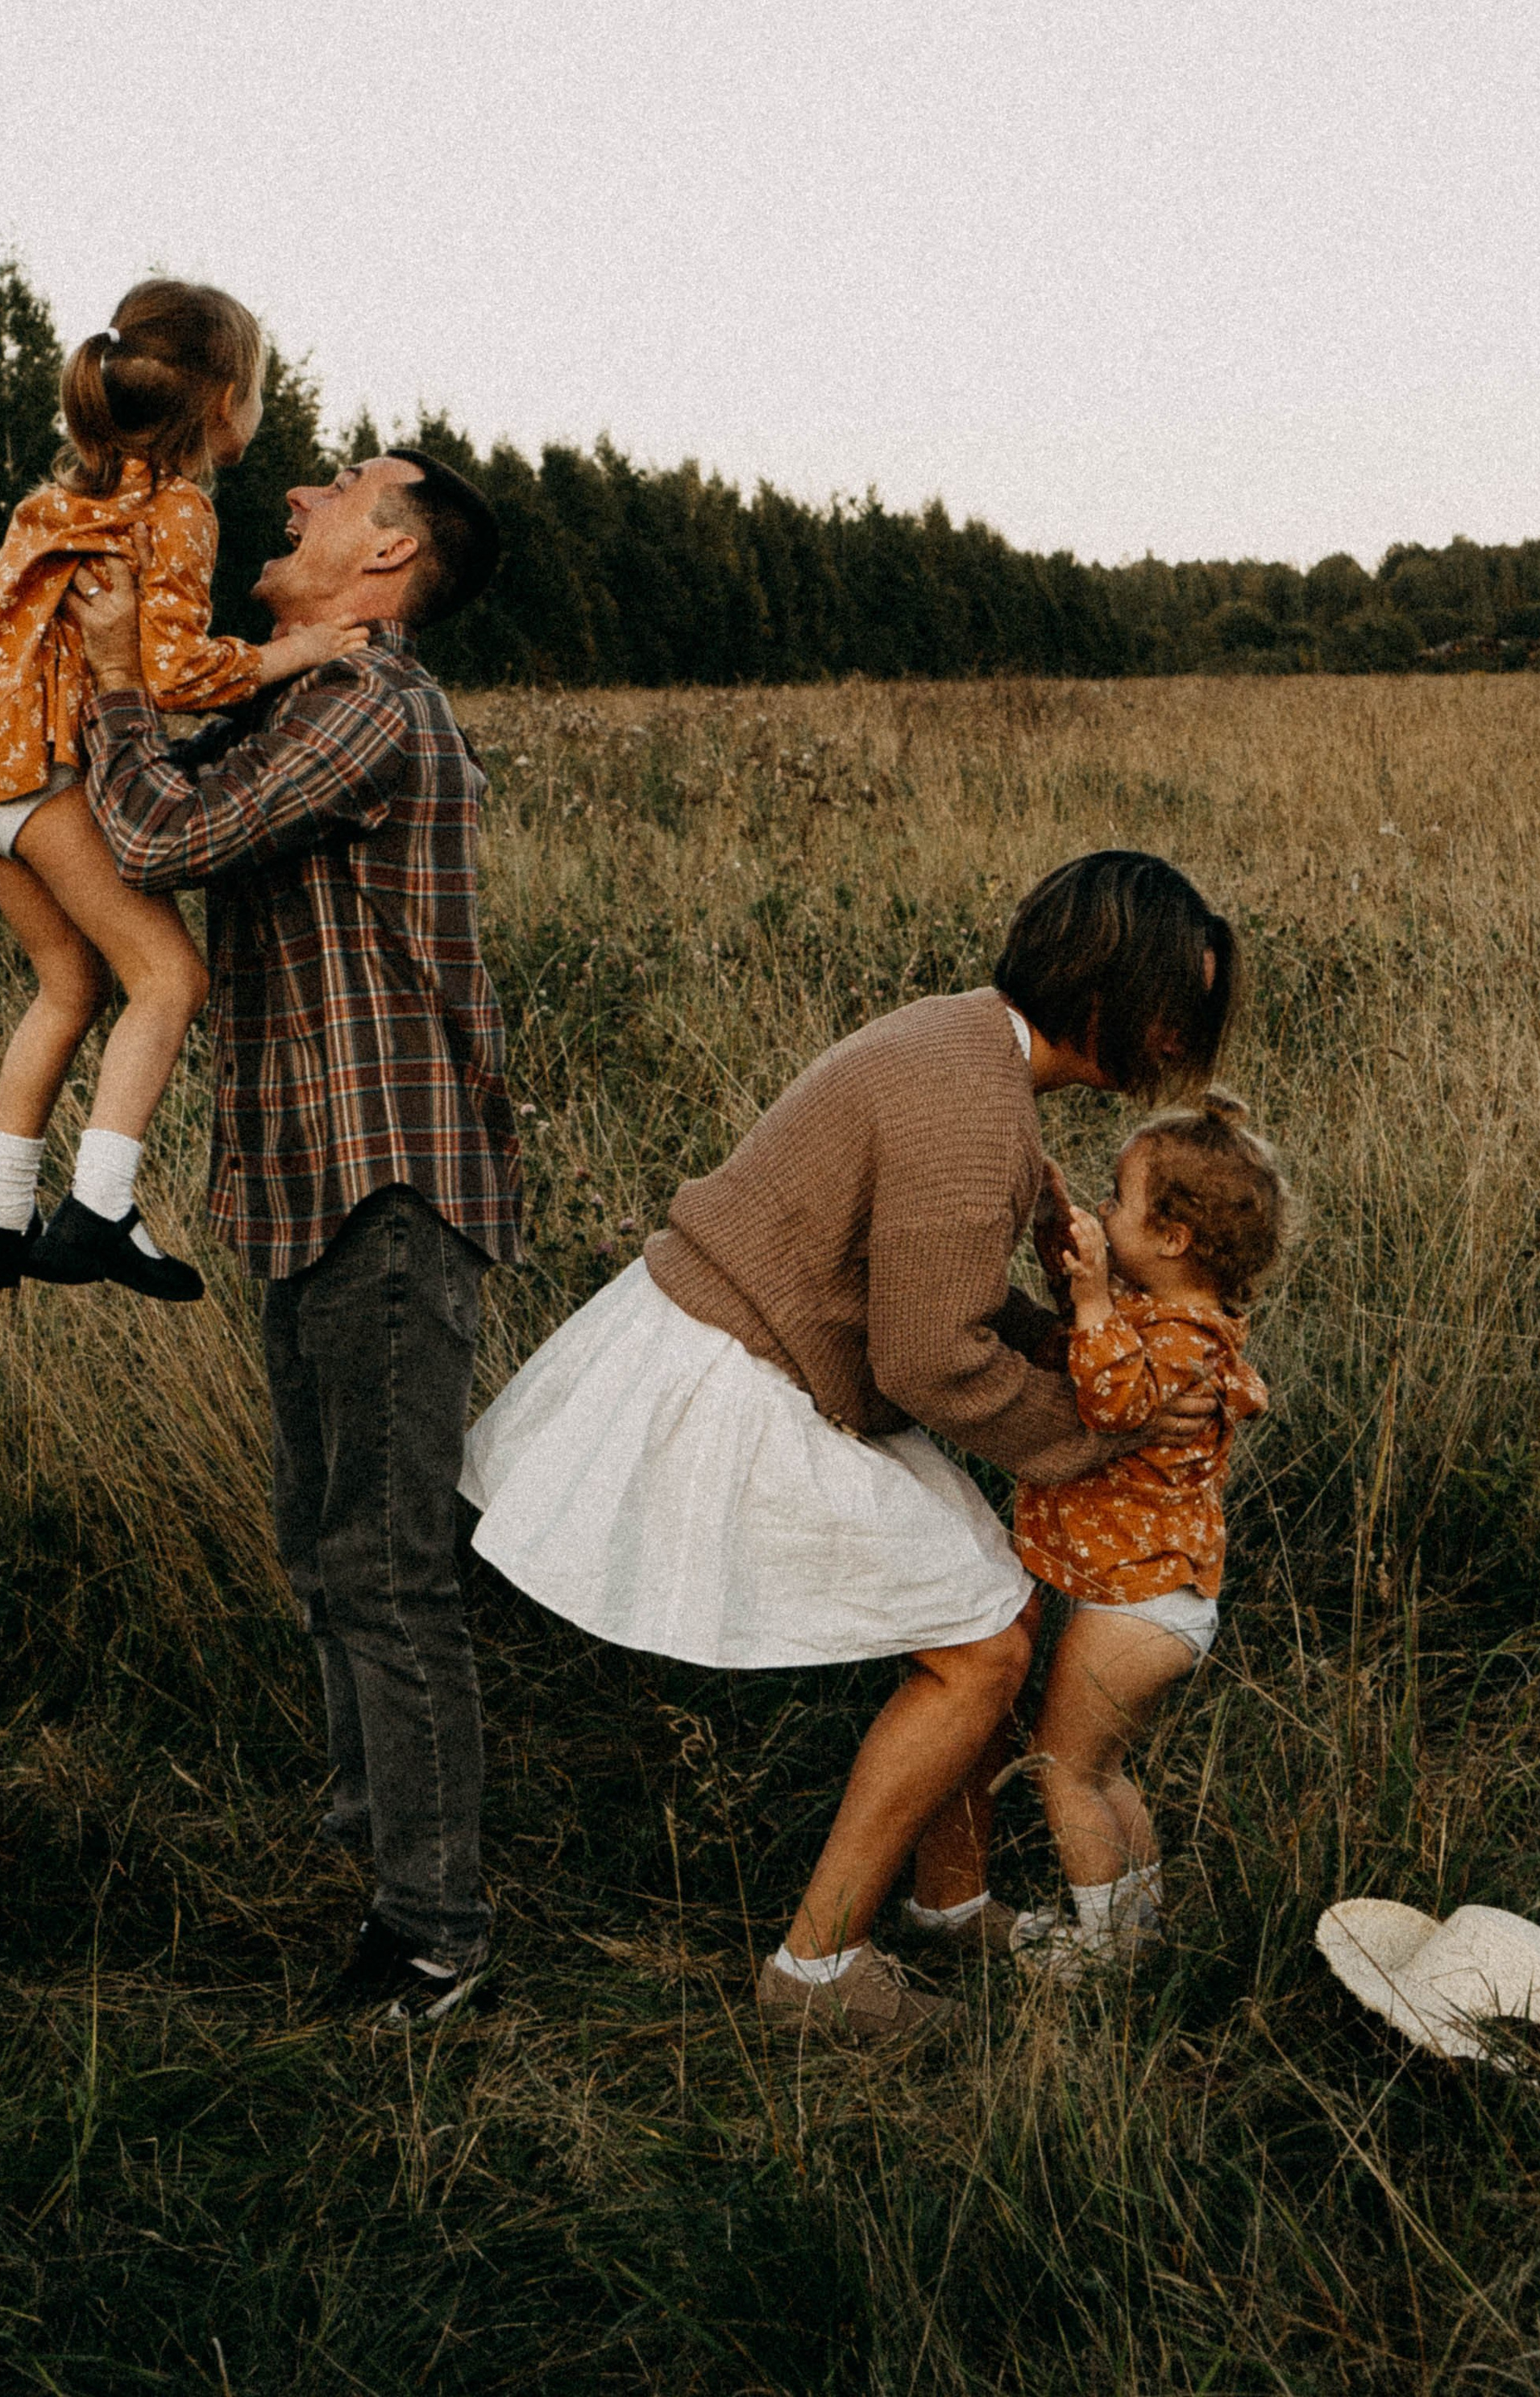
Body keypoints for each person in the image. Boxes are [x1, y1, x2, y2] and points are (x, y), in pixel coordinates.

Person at [462, 849, 1235, 2045]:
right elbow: (926, 1360)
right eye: (1174, 1005)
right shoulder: (975, 1110)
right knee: (981, 1647)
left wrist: (1069, 1360)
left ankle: (949, 1903)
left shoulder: (967, 1043)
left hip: (761, 1345)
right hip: (731, 1375)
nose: (1181, 1038)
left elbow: (934, 1293)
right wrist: (1100, 1437)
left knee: (993, 1604)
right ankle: (814, 1971)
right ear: (1104, 990)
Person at [61, 448, 522, 2029]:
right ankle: (372, 1852)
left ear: (388, 555)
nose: (300, 493)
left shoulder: (368, 702)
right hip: (316, 1186)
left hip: (383, 1189)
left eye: (339, 486)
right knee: (330, 1553)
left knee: (384, 1569)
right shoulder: (297, 695)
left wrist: (119, 681)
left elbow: (159, 839)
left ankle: (435, 1937)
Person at [0, 280, 363, 1300]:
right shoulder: (175, 508)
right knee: (169, 980)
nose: (259, 408)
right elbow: (169, 671)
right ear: (222, 403)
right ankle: (98, 1211)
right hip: (40, 776)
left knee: (68, 987)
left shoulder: (62, 498)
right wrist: (289, 654)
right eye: (258, 390)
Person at [1009, 1094, 1284, 1975]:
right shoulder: (1169, 1317)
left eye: (1117, 1200)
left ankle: (1100, 1955)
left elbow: (1113, 1400)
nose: (1104, 1209)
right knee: (1102, 1769)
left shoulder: (1182, 1335)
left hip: (1141, 1606)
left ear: (1170, 1237)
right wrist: (1071, 1271)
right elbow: (1087, 1352)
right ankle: (1139, 1935)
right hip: (1160, 1600)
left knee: (1059, 1767)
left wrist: (1092, 1297)